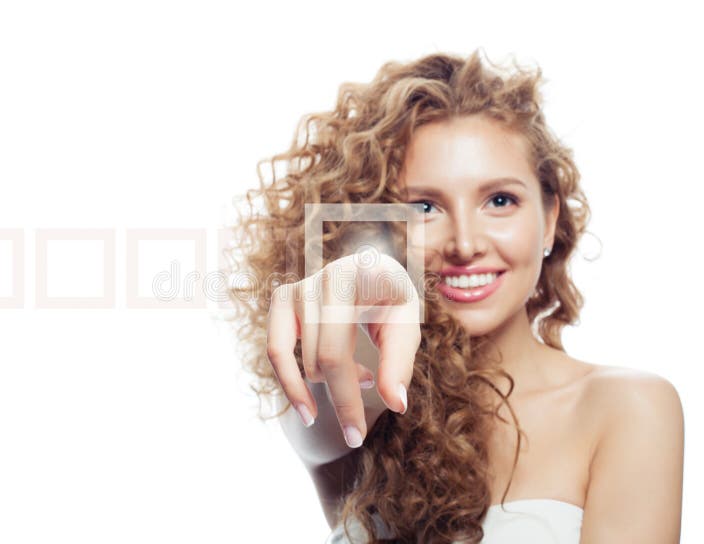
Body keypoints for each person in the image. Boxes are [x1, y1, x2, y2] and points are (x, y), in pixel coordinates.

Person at [224, 49, 684, 543]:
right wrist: (353, 282)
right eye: (424, 206)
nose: (465, 244)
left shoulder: (626, 408)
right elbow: (328, 386)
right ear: (375, 228)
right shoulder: (362, 400)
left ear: (549, 219)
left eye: (500, 200)